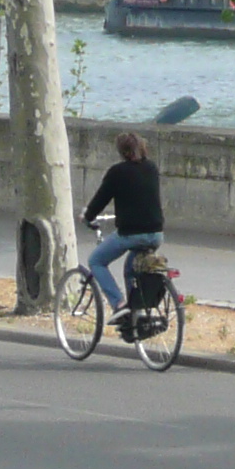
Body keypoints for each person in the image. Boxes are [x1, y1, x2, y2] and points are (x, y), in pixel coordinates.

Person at [80, 131, 165, 335]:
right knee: (131, 268)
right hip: (156, 234)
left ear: (121, 151)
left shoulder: (117, 172)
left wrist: (87, 216)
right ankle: (138, 315)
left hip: (131, 234)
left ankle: (119, 305)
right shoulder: (151, 168)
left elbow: (101, 199)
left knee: (96, 261)